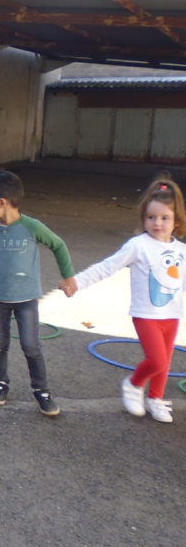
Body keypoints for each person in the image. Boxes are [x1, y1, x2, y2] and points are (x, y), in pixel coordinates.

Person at [61, 178, 186, 423]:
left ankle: (156, 398)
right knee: (157, 360)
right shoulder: (138, 246)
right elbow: (107, 267)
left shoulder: (182, 251)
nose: (157, 223)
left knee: (165, 362)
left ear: (177, 221)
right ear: (144, 218)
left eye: (164, 218)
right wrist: (77, 282)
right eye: (151, 217)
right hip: (146, 314)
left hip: (172, 314)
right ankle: (134, 383)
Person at [0, 169, 76, 416]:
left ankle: (42, 391)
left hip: (26, 300)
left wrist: (68, 277)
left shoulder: (31, 227)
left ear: (2, 202)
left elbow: (58, 245)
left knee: (31, 346)